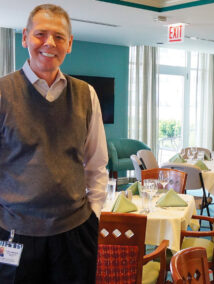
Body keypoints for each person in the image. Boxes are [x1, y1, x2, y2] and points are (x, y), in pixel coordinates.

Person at [0, 4, 108, 283]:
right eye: (40, 34)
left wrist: (93, 218)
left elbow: (96, 165)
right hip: (14, 236)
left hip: (74, 234)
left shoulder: (86, 95)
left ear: (69, 44)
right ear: (25, 37)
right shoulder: (2, 93)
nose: (49, 43)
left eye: (59, 37)